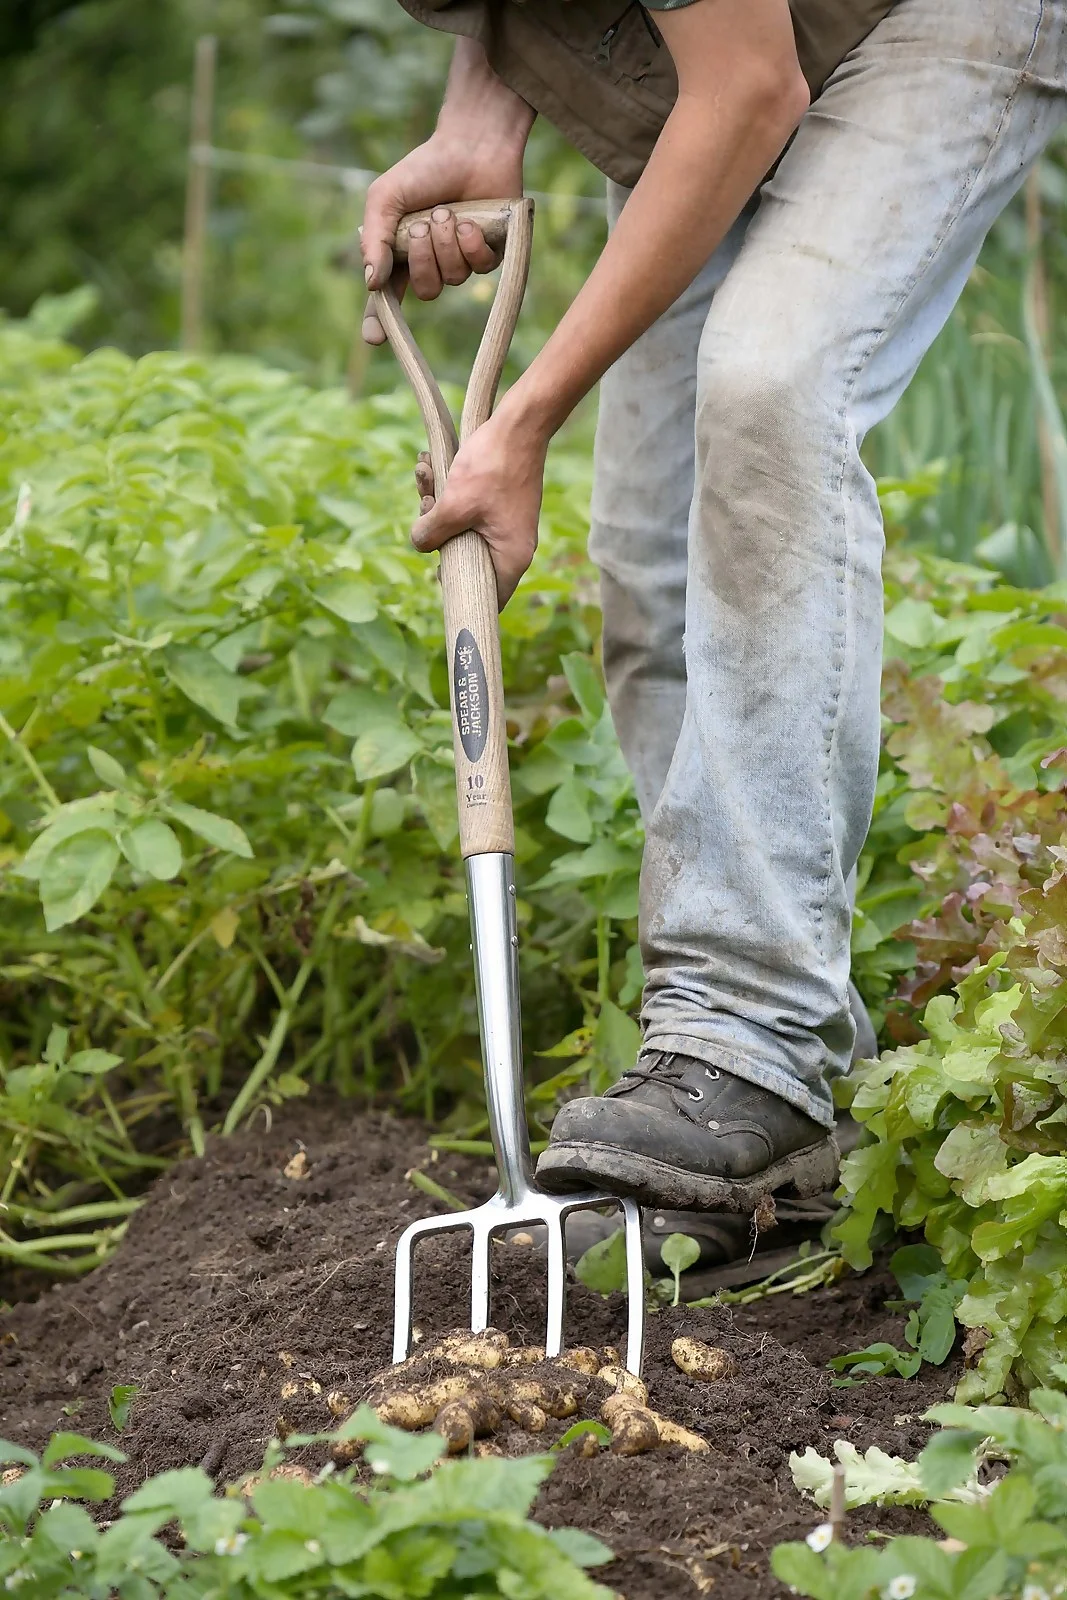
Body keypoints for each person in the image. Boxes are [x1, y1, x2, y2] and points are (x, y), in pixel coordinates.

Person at [361, 1, 1067, 1262]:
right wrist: (480, 109)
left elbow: (744, 90)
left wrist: (522, 424)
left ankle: (753, 1036)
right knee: (653, 552)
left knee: (769, 382)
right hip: (743, 42)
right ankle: (770, 1121)